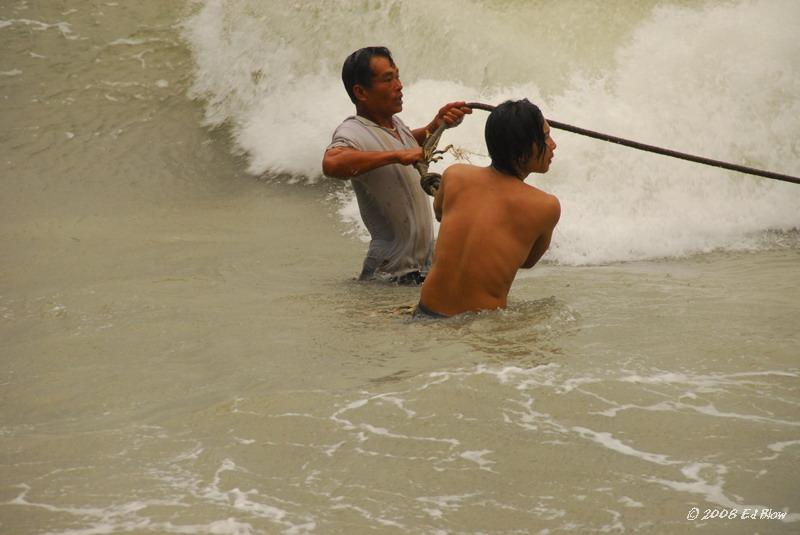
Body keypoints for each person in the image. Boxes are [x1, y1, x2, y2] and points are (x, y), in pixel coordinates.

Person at [322, 46, 471, 284]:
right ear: (361, 92)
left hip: (418, 271)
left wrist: (436, 124)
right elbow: (332, 163)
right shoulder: (352, 130)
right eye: (388, 79)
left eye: (397, 76)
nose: (399, 85)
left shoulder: (395, 124)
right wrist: (395, 156)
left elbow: (406, 144)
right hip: (389, 275)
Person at [416, 99, 561, 318]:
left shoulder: (454, 175)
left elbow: (440, 214)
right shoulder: (546, 205)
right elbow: (528, 262)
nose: (553, 144)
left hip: (424, 312)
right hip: (478, 326)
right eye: (545, 137)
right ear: (523, 146)